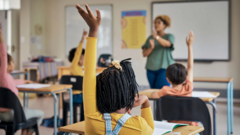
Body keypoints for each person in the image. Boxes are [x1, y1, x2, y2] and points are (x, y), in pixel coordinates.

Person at [75, 4, 154, 135]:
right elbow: (151, 130)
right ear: (129, 95)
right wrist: (145, 102)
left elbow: (88, 72)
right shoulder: (139, 127)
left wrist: (93, 30)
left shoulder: (92, 118)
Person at [0, 23, 44, 135]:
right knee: (40, 114)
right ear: (7, 65)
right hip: (14, 114)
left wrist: (25, 81)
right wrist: (0, 34)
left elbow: (12, 83)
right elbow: (3, 54)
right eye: (12, 62)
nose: (13, 64)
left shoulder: (5, 78)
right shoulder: (4, 75)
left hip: (1, 114)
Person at [152, 31, 196, 126]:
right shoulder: (188, 87)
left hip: (173, 128)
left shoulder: (165, 91)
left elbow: (153, 95)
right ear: (185, 77)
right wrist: (189, 46)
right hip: (191, 129)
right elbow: (190, 67)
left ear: (168, 79)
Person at [142, 15, 175, 89]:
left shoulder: (169, 36)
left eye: (159, 23)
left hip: (164, 68)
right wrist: (151, 47)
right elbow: (144, 54)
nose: (156, 25)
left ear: (164, 25)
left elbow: (167, 44)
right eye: (155, 23)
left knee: (162, 91)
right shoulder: (150, 38)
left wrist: (156, 37)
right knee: (153, 91)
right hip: (150, 68)